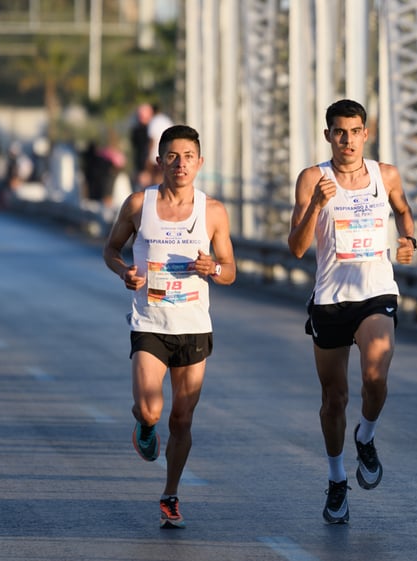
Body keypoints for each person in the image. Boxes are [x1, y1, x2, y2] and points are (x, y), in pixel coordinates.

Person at [287, 99, 416, 524]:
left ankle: (367, 435)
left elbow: (401, 209)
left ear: (366, 133)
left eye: (354, 131)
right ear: (328, 135)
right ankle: (337, 477)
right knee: (334, 398)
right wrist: (316, 206)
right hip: (330, 300)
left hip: (376, 292)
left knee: (376, 375)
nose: (347, 139)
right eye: (338, 132)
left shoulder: (386, 174)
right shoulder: (313, 178)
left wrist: (408, 239)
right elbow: (297, 247)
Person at [103, 124, 236, 530]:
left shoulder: (211, 211)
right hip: (150, 323)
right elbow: (110, 249)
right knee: (151, 408)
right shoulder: (137, 205)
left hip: (194, 326)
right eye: (172, 157)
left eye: (189, 157)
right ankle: (143, 425)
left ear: (200, 163)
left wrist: (212, 267)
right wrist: (125, 271)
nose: (181, 164)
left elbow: (230, 270)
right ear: (159, 161)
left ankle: (170, 495)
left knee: (181, 419)